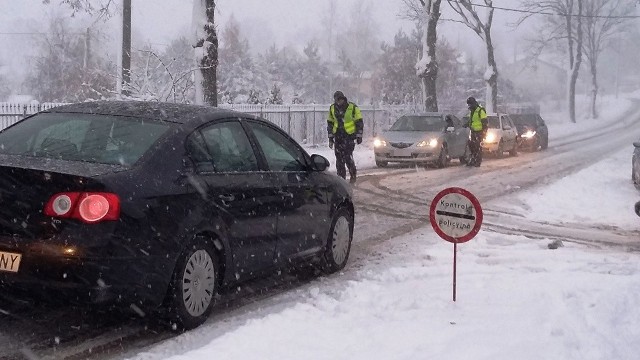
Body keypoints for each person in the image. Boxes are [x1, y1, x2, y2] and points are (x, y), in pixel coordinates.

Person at [327, 90, 363, 184]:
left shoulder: (352, 107)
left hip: (349, 137)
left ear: (343, 98)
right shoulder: (332, 108)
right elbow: (330, 123)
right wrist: (330, 138)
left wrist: (359, 135)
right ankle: (341, 179)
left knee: (348, 157)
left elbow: (359, 122)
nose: (339, 102)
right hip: (338, 137)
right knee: (339, 159)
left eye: (340, 99)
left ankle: (353, 175)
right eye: (337, 100)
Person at [464, 97, 488, 167]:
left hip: (479, 132)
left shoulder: (480, 111)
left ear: (473, 103)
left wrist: (484, 132)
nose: (469, 106)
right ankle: (473, 159)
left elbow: (485, 122)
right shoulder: (472, 112)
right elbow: (472, 121)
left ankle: (478, 161)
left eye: (470, 104)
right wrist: (466, 124)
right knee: (472, 146)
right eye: (468, 105)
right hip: (473, 132)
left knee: (478, 147)